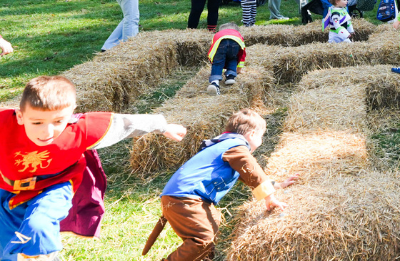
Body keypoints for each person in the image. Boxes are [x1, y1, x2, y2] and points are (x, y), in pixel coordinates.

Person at [1, 76, 186, 261]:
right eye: (37, 122)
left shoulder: (81, 129)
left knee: (38, 226)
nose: (47, 131)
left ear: (71, 113)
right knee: (6, 244)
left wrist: (162, 127)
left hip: (54, 186)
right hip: (7, 190)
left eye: (58, 121)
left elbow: (124, 123)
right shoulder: (4, 124)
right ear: (20, 116)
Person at [148, 110, 295, 261]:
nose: (262, 141)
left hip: (180, 196)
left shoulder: (223, 145)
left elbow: (247, 175)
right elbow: (250, 167)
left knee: (213, 221)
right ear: (251, 135)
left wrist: (276, 185)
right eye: (261, 136)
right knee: (203, 238)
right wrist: (269, 196)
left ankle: (202, 257)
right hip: (185, 197)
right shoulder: (237, 146)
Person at [205, 24, 245, 95]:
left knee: (218, 62)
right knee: (233, 57)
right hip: (235, 43)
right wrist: (239, 70)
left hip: (221, 42)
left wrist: (213, 60)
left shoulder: (218, 35)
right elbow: (242, 54)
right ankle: (231, 76)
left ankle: (215, 82)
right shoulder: (238, 35)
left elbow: (213, 50)